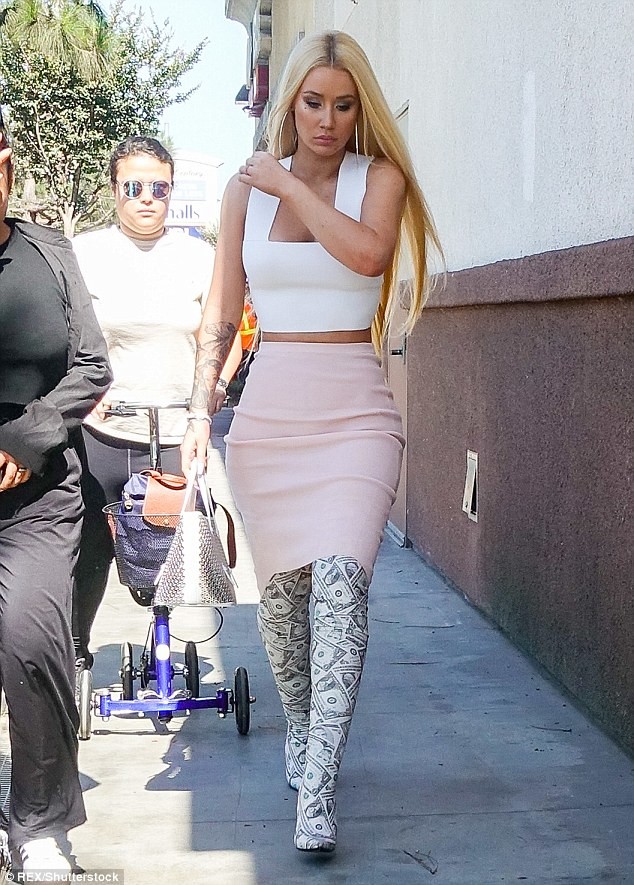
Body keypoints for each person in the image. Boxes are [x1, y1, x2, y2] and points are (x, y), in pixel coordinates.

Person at [181, 30, 441, 852]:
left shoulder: (378, 180)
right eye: (313, 102)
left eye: (344, 104)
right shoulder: (242, 193)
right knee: (283, 617)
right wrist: (198, 412)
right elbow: (221, 310)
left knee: (341, 586)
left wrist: (289, 184)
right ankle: (300, 728)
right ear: (290, 102)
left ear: (361, 110)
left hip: (356, 415)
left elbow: (366, 254)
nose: (328, 120)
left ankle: (318, 790)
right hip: (269, 421)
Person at [71, 136, 242, 666]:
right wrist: (81, 397)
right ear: (114, 190)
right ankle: (74, 655)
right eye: (133, 187)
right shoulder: (84, 253)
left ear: (171, 191)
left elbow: (229, 335)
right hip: (102, 433)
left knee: (165, 557)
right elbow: (63, 332)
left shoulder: (199, 257)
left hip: (174, 435)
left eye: (159, 188)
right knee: (90, 553)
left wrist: (212, 394)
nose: (146, 198)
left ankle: (163, 652)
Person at [0, 116, 112, 872]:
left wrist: (27, 436)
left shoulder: (48, 253)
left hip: (38, 496)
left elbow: (93, 365)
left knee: (32, 637)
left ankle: (38, 821)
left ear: (5, 167)